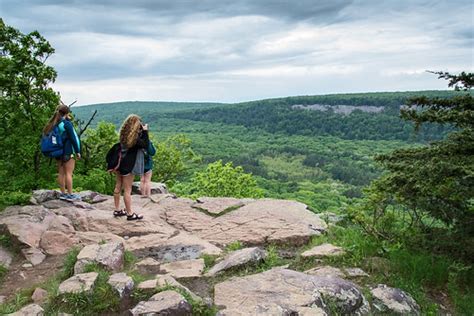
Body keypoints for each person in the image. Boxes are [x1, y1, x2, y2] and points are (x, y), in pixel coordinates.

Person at [43, 103, 81, 200]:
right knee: (69, 173)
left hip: (59, 151)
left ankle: (63, 193)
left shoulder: (55, 123)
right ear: (67, 113)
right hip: (68, 151)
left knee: (61, 173)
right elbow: (72, 138)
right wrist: (77, 151)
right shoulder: (67, 124)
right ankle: (70, 194)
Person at [113, 114, 147, 220]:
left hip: (119, 163)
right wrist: (145, 131)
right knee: (127, 190)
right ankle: (129, 213)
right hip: (128, 165)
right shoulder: (134, 139)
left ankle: (117, 209)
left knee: (118, 186)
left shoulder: (123, 134)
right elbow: (145, 144)